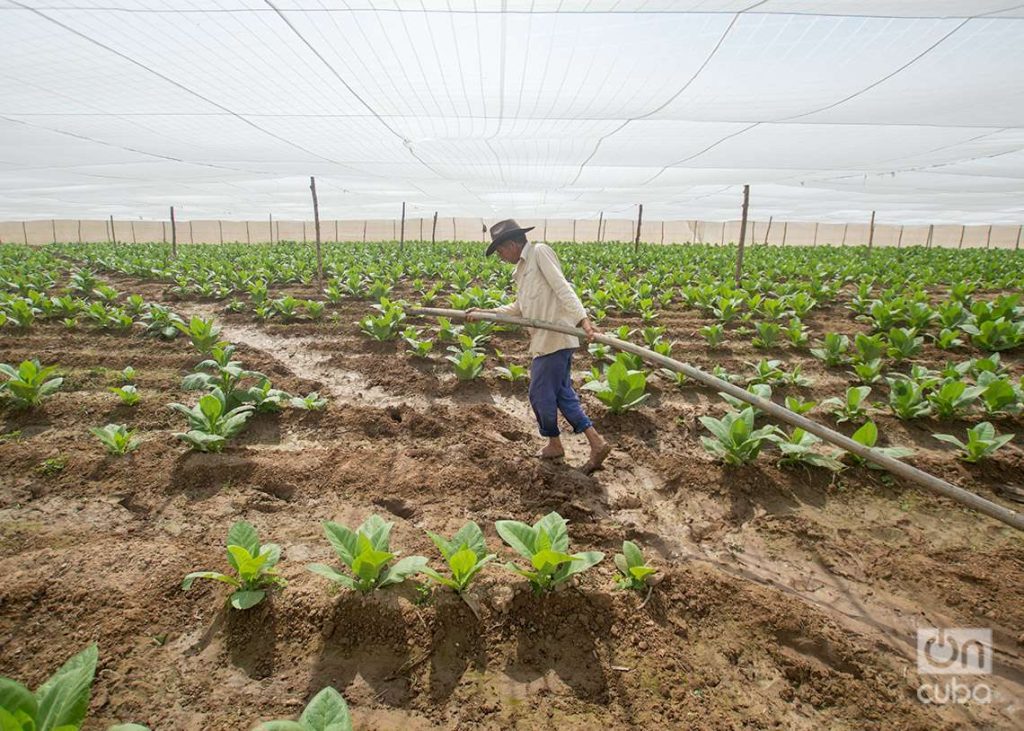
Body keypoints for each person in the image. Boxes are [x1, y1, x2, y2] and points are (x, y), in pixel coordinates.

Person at [467, 219, 612, 474]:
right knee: (562, 395)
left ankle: (555, 443)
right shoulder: (520, 271)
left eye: (500, 251)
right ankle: (595, 443)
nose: (500, 257)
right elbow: (519, 309)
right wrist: (485, 313)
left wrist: (584, 320)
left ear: (512, 244)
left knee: (539, 394)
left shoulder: (539, 253)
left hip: (554, 341)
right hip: (545, 342)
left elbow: (563, 288)